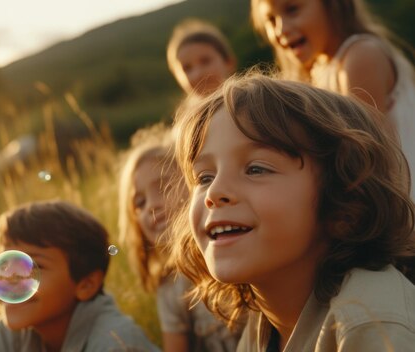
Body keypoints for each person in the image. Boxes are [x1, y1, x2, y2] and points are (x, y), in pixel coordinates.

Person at [170, 72, 415, 351]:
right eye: (204, 177)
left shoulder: (372, 322)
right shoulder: (265, 324)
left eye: (256, 169)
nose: (214, 193)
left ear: (345, 205)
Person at [250, 0, 415, 199]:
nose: (281, 29)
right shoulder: (319, 71)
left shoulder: (361, 56)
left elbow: (362, 161)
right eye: (271, 20)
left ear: (332, 5)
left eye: (292, 9)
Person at [118, 124, 238, 352]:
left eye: (163, 187)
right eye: (139, 203)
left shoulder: (236, 250)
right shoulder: (170, 287)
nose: (152, 205)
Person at [0, 200, 161, 352]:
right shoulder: (6, 334)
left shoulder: (115, 344)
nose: (11, 278)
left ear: (86, 285)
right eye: (5, 264)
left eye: (33, 267)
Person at [167, 18, 237, 97]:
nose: (198, 74)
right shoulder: (188, 109)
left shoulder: (250, 102)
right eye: (187, 68)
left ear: (228, 62)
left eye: (205, 61)